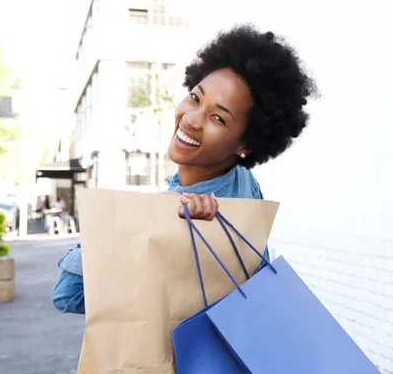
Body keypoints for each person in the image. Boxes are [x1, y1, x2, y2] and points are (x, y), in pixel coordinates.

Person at [51, 24, 317, 314]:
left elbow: (68, 294)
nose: (191, 119)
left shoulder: (182, 209)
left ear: (246, 144)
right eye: (195, 98)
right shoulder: (242, 183)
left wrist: (133, 219)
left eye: (218, 118)